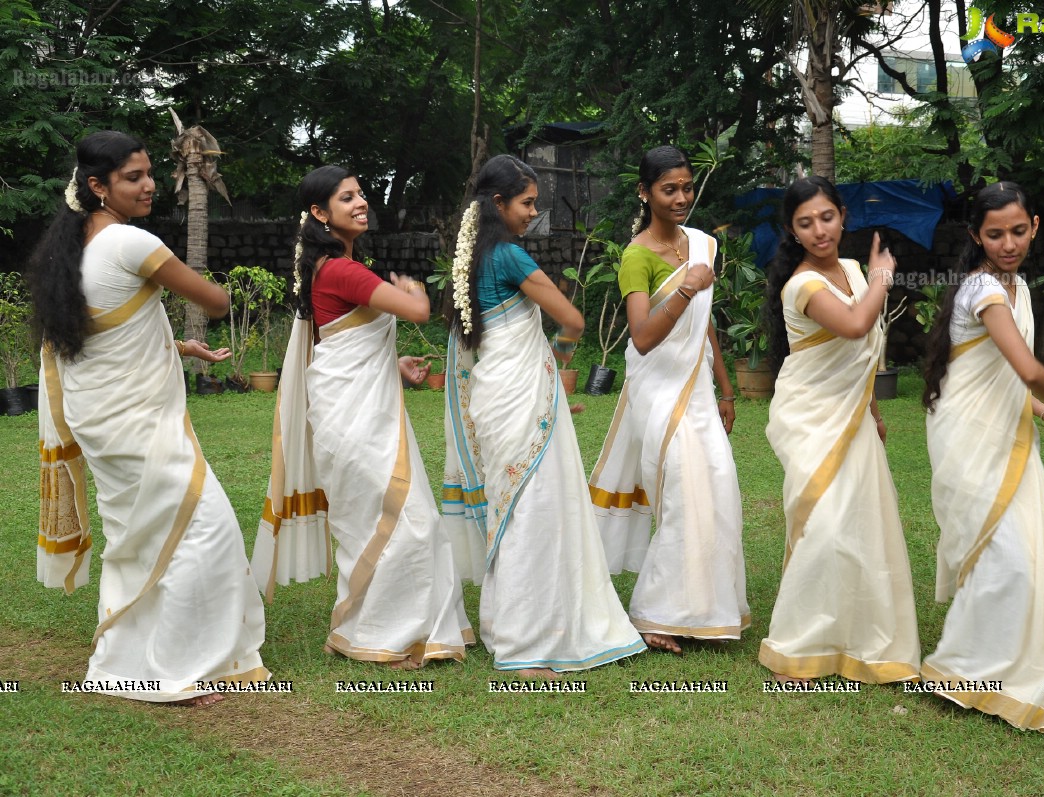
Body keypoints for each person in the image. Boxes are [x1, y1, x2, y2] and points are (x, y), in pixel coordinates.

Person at [29, 130, 267, 705]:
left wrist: (179, 349)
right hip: (136, 423)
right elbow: (214, 300)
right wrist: (214, 296)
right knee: (203, 530)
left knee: (140, 539)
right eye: (133, 177)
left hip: (102, 419)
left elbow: (102, 331)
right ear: (96, 185)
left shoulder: (73, 246)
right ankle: (173, 670)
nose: (149, 185)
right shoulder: (132, 243)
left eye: (149, 173)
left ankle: (128, 661)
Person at [250, 165, 471, 669]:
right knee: (399, 520)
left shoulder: (337, 267)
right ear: (319, 213)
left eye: (361, 193)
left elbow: (340, 340)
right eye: (346, 197)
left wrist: (391, 363)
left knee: (400, 518)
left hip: (358, 405)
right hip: (352, 415)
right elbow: (418, 311)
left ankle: (394, 631)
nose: (361, 202)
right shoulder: (341, 269)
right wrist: (415, 291)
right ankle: (380, 636)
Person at [441, 154, 645, 677]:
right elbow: (573, 319)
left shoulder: (469, 259)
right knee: (533, 509)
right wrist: (556, 359)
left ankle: (508, 627)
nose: (534, 212)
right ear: (498, 202)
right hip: (522, 396)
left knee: (513, 509)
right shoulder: (508, 256)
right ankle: (526, 640)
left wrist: (542, 371)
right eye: (528, 202)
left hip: (494, 394)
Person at [921, 181, 1044, 730]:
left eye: (1018, 231)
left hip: (1009, 431)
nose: (1008, 243)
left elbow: (1010, 382)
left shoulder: (1017, 286)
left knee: (1025, 551)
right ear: (976, 235)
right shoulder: (984, 291)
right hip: (968, 435)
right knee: (1005, 554)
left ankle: (1003, 662)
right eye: (994, 234)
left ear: (1035, 227)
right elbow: (1027, 369)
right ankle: (967, 668)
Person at [758, 176, 921, 685]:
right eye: (805, 223)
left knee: (862, 524)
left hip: (852, 414)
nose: (819, 230)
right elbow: (853, 324)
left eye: (826, 217)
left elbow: (863, 349)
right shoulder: (803, 284)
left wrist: (871, 407)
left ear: (842, 215)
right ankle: (801, 644)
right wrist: (883, 277)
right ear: (792, 230)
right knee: (823, 525)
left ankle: (859, 636)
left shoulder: (851, 268)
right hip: (810, 414)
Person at [588, 145, 749, 654]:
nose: (682, 198)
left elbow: (705, 329)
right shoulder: (636, 256)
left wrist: (726, 389)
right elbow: (642, 337)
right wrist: (686, 288)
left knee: (718, 488)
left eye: (687, 187)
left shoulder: (701, 245)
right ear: (645, 193)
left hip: (699, 388)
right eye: (669, 189)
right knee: (682, 497)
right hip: (658, 393)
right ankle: (655, 613)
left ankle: (707, 608)